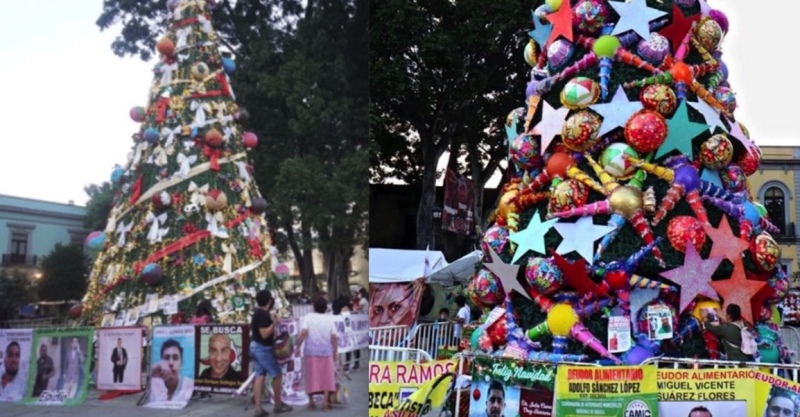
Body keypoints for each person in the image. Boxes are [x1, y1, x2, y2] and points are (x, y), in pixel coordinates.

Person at [250, 290, 293, 416]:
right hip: (262, 348)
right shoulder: (262, 314)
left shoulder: (258, 313)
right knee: (277, 374)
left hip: (255, 347)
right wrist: (274, 324)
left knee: (259, 375)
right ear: (269, 301)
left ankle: (258, 409)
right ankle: (278, 405)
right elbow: (264, 334)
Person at [295, 294, 338, 410]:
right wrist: (336, 351)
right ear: (325, 308)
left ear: (314, 307)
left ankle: (311, 401)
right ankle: (325, 402)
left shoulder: (309, 317)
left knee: (311, 376)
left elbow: (303, 333)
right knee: (327, 377)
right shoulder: (329, 319)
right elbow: (334, 337)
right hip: (326, 351)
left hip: (311, 351)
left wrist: (297, 346)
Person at [149, 339, 194, 403]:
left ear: (181, 362)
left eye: (175, 358)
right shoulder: (154, 382)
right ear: (161, 361)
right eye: (167, 358)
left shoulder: (189, 384)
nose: (171, 363)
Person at [333, 296, 360, 371]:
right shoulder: (350, 308)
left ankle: (347, 365)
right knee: (354, 347)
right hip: (353, 330)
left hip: (347, 331)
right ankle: (355, 363)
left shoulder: (342, 310)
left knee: (348, 348)